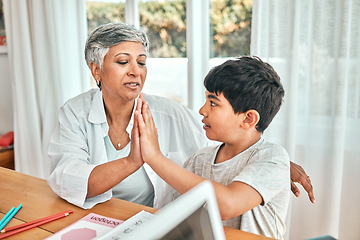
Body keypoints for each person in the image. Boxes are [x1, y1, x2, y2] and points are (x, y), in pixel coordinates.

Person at [47, 22, 314, 211]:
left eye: (141, 62)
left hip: (149, 223)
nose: (135, 71)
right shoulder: (74, 113)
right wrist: (132, 161)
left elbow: (224, 141)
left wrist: (278, 163)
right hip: (94, 220)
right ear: (96, 70)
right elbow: (68, 179)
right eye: (122, 61)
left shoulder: (168, 113)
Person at [135, 56, 289, 239]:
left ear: (248, 119)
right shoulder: (199, 160)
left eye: (213, 103)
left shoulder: (273, 158)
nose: (202, 110)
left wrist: (154, 158)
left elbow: (226, 205)